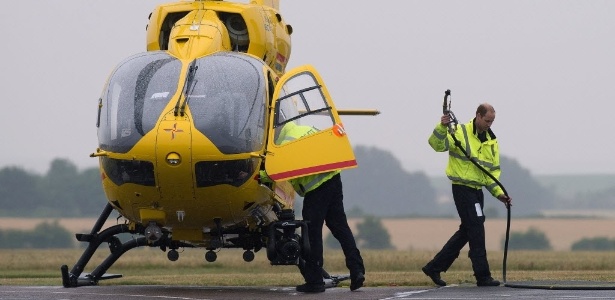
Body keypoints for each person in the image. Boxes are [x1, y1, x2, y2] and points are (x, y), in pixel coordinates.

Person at [268, 121, 365, 293]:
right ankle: (357, 270)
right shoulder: (307, 129)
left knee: (311, 233)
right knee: (341, 228)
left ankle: (315, 281)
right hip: (334, 179)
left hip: (316, 190)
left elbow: (278, 171)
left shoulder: (284, 144)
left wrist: (261, 175)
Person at [422, 103, 512, 287]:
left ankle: (434, 266)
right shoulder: (459, 132)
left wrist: (499, 194)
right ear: (478, 116)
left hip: (478, 191)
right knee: (477, 228)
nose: (489, 124)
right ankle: (483, 276)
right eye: (487, 120)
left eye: (492, 121)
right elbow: (436, 145)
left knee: (468, 230)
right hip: (462, 189)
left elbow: (491, 173)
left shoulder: (492, 142)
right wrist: (442, 126)